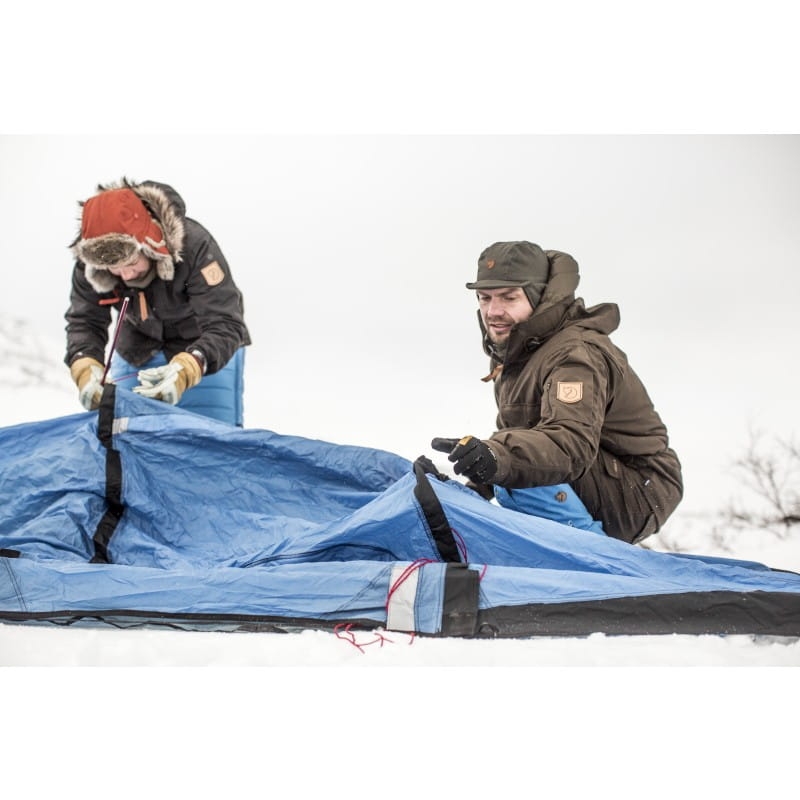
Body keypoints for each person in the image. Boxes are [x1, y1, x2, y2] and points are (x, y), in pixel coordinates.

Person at [431, 240, 683, 544]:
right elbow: (519, 435)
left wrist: (496, 456)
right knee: (514, 462)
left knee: (520, 472)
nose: (493, 311)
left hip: (639, 487)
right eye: (484, 298)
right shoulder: (522, 351)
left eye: (509, 298)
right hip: (599, 478)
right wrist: (465, 492)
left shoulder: (574, 354)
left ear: (539, 298)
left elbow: (571, 444)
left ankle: (595, 563)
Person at [65, 178, 251, 426]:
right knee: (127, 438)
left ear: (151, 245)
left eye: (131, 264)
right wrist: (85, 367)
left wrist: (188, 367)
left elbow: (226, 322)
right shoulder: (90, 262)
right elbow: (84, 322)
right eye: (114, 269)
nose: (126, 275)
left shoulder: (194, 245)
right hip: (137, 350)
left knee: (211, 442)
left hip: (205, 349)